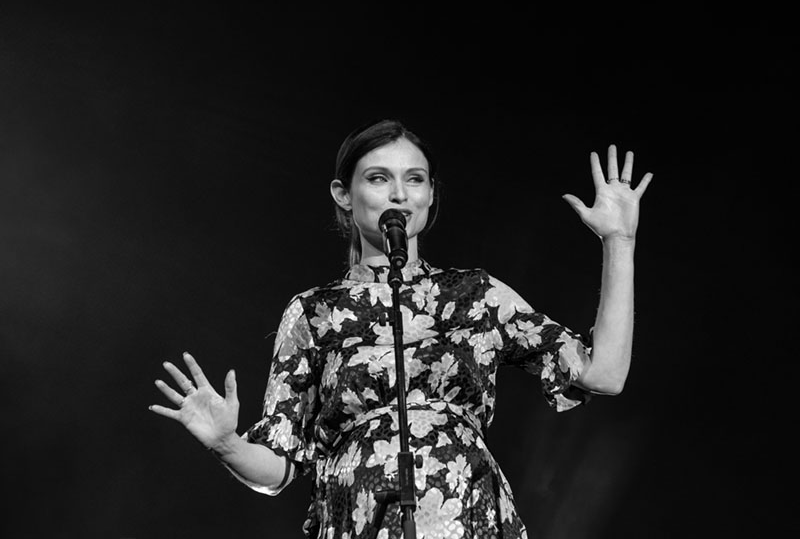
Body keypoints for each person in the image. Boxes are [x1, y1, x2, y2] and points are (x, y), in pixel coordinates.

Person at [150, 118, 652, 539]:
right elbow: (279, 468)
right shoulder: (314, 313)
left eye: (415, 179)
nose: (399, 194)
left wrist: (619, 242)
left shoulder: (474, 294)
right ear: (343, 195)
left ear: (431, 195)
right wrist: (227, 444)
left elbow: (603, 373)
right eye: (378, 178)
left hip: (469, 516)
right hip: (356, 518)